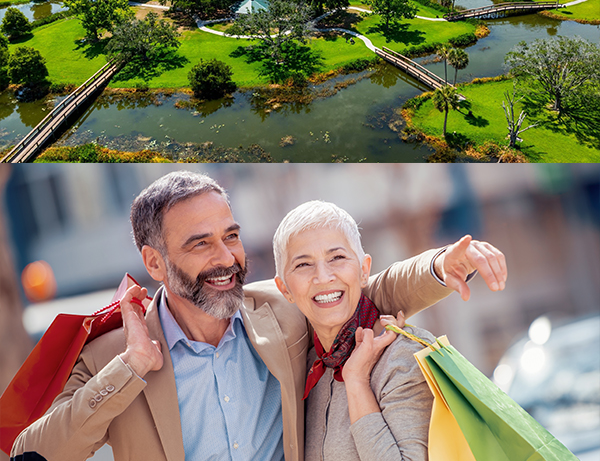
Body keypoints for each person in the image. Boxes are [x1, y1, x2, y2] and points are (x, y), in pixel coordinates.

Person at [11, 171, 507, 461]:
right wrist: (132, 366)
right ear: (155, 261)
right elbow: (35, 452)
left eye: (230, 235)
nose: (226, 258)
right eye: (199, 243)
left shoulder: (282, 313)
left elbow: (361, 289)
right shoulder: (110, 356)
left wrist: (442, 264)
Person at [272, 200, 445, 461]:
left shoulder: (402, 357)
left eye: (337, 257)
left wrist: (356, 382)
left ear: (364, 270)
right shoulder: (305, 369)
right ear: (285, 289)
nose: (323, 276)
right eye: (303, 265)